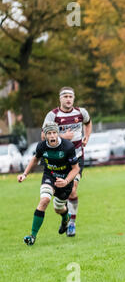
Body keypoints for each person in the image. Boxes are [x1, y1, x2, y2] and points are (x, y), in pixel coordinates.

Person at [19, 122, 80, 246]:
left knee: (58, 209)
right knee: (44, 200)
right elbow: (35, 159)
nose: (52, 136)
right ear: (45, 135)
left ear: (57, 133)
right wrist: (24, 174)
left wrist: (66, 181)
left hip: (65, 181)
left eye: (54, 133)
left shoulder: (68, 147)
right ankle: (32, 236)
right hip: (49, 176)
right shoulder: (41, 146)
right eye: (49, 133)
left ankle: (65, 218)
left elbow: (76, 169)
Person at [42, 86, 92, 237]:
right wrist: (63, 137)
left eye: (71, 96)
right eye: (65, 97)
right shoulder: (53, 115)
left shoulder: (81, 112)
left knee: (73, 189)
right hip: (58, 160)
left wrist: (87, 137)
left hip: (76, 158)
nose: (68, 99)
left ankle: (72, 223)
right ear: (60, 99)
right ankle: (64, 215)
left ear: (74, 98)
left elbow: (88, 123)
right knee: (59, 204)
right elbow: (43, 136)